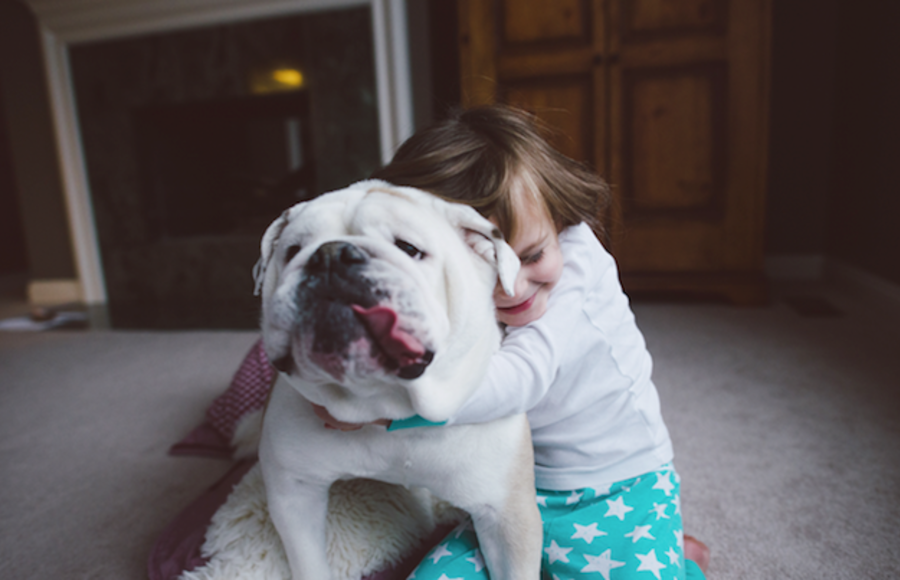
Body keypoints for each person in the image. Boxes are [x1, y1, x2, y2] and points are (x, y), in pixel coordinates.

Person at [313, 104, 710, 579]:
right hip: (514, 489)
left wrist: (384, 407)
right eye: (488, 264)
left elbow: (520, 379)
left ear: (557, 214)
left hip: (619, 488)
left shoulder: (581, 266)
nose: (514, 287)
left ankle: (677, 559)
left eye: (533, 254)